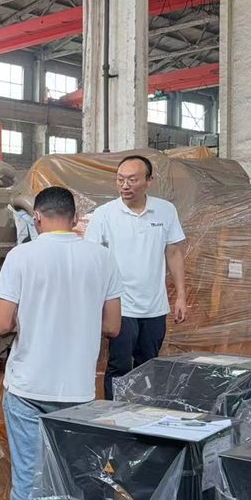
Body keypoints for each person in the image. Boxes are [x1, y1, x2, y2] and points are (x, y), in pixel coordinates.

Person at [0, 187, 123, 500]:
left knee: (29, 483)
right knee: (76, 480)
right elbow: (114, 327)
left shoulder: (21, 257)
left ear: (37, 218)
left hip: (30, 388)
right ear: (72, 217)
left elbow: (0, 324)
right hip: (79, 391)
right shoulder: (101, 258)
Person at [84, 154, 188, 400]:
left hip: (155, 307)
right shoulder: (105, 214)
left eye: (132, 179)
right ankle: (114, 418)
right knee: (119, 367)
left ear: (149, 181)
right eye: (120, 180)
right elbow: (91, 258)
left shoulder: (165, 210)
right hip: (121, 307)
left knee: (149, 367)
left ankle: (143, 417)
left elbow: (173, 252)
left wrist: (181, 296)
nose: (125, 185)